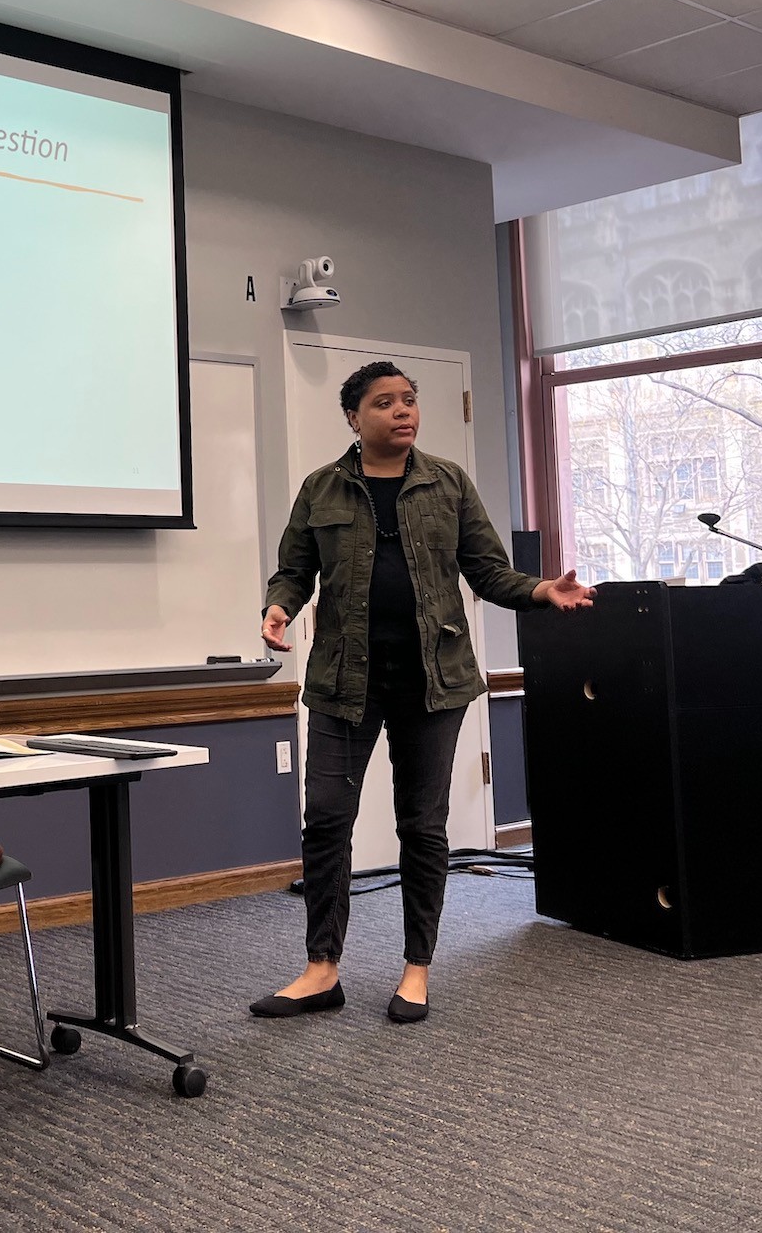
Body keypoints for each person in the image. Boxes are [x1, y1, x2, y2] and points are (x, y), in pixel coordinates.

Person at [253, 361, 594, 1025]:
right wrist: (278, 607)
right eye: (385, 403)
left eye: (409, 400)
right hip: (342, 681)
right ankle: (322, 969)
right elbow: (294, 569)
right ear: (354, 417)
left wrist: (542, 591)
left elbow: (490, 572)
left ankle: (417, 970)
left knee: (421, 825)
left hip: (433, 682)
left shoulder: (447, 483)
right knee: (326, 819)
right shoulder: (322, 488)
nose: (402, 411)